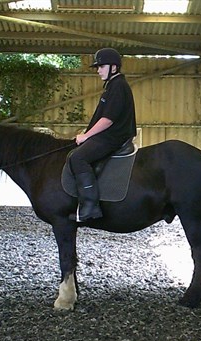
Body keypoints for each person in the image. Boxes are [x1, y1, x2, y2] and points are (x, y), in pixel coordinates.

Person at [68, 47, 137, 222]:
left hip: (113, 137)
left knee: (78, 158)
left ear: (114, 67)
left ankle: (90, 207)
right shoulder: (112, 86)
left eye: (101, 66)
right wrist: (87, 133)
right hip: (109, 135)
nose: (98, 70)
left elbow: (108, 120)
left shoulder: (118, 86)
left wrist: (86, 136)